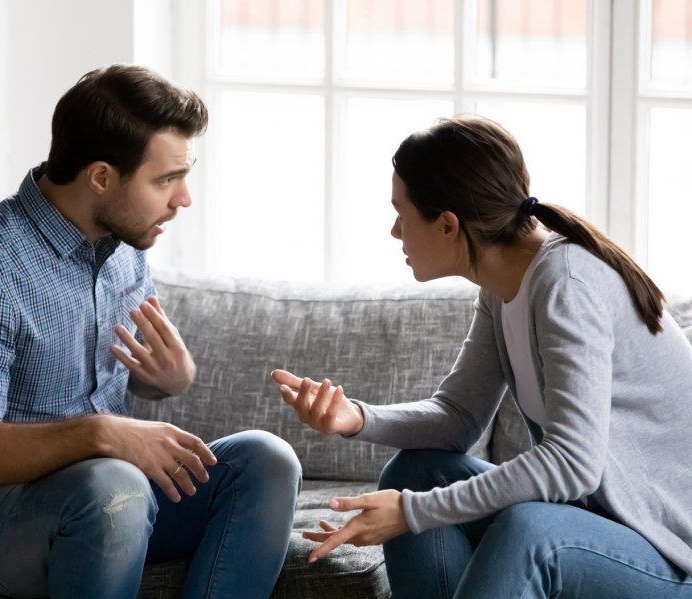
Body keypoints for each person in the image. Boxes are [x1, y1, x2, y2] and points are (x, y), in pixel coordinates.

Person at [0, 64, 301, 599]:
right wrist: (103, 433)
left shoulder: (124, 245)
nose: (183, 199)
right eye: (165, 180)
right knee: (114, 485)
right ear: (101, 177)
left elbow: (98, 374)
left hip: (119, 501)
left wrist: (169, 378)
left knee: (266, 460)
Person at [271, 115, 692, 598]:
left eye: (401, 213)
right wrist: (357, 418)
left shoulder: (567, 284)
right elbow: (458, 417)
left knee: (531, 531)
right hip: (601, 526)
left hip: (669, 554)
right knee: (415, 472)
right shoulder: (501, 287)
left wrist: (411, 512)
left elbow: (573, 463)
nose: (394, 231)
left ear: (447, 225)